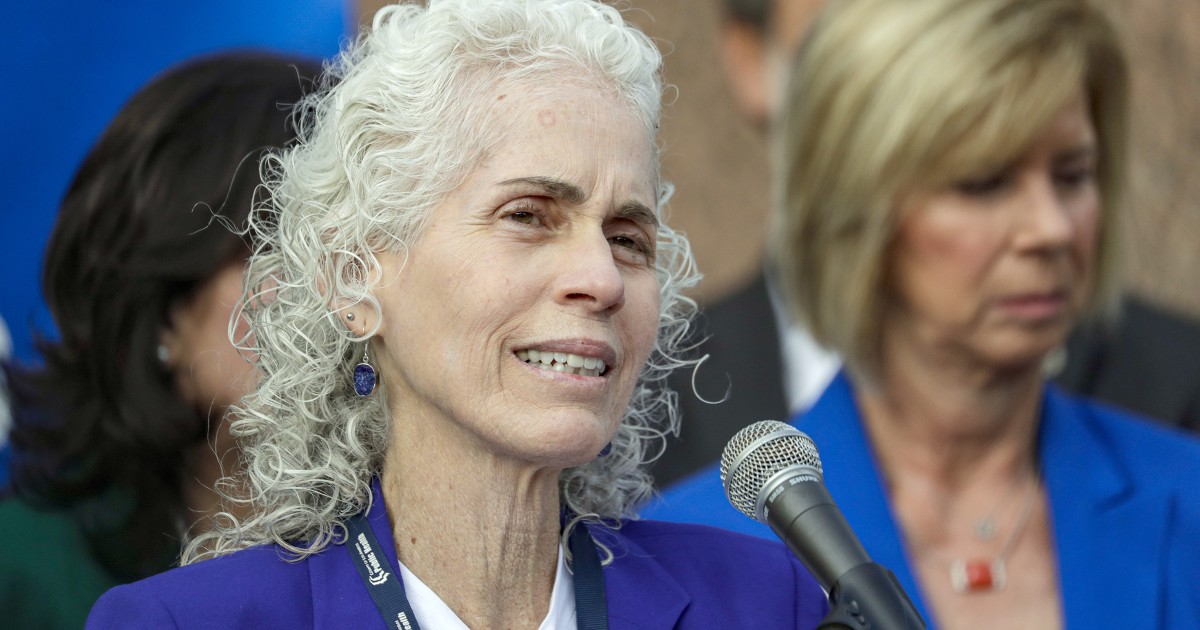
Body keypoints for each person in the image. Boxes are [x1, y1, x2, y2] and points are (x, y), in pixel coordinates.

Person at [85, 2, 829, 628]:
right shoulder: (183, 623)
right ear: (353, 277)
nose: (602, 279)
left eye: (628, 238)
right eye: (528, 215)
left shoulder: (769, 603)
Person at [643, 0, 1200, 627]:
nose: (1050, 228)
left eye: (1072, 176)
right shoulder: (687, 554)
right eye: (983, 183)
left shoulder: (1186, 497)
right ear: (856, 209)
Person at [0, 52, 322, 630]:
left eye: (348, 250)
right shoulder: (22, 575)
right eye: (275, 247)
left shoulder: (413, 559)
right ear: (163, 307)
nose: (328, 290)